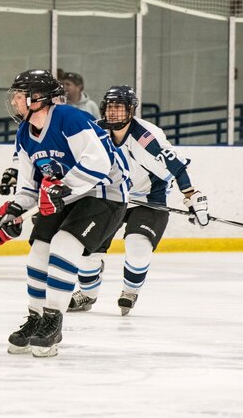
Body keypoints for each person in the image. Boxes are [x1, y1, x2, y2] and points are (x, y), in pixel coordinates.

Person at [0, 70, 129, 358]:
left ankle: (53, 320)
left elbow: (100, 164)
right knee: (39, 251)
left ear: (37, 99)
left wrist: (62, 188)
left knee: (64, 246)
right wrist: (14, 212)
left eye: (19, 95)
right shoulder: (24, 134)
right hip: (65, 195)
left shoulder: (69, 118)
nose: (14, 101)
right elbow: (30, 186)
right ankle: (36, 317)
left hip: (103, 195)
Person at [67, 85, 209, 316]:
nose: (113, 113)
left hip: (149, 198)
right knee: (88, 248)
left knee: (138, 245)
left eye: (119, 108)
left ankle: (130, 291)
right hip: (111, 196)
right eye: (110, 107)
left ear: (131, 111)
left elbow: (176, 166)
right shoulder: (95, 132)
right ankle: (87, 293)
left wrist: (192, 196)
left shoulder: (146, 136)